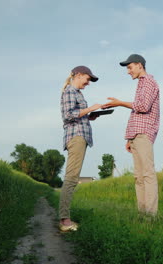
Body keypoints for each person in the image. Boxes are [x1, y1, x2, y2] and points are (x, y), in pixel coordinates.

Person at [103, 54, 160, 216]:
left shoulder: (149, 82)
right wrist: (129, 138)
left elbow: (142, 107)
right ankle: (143, 214)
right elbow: (137, 112)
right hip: (135, 134)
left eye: (130, 67)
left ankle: (151, 216)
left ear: (139, 65)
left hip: (144, 133)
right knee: (138, 176)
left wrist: (119, 103)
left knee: (147, 174)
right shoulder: (141, 84)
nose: (128, 71)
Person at [59, 65, 102, 231]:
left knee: (72, 177)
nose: (88, 82)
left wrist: (90, 116)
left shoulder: (77, 93)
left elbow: (76, 114)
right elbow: (68, 115)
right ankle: (65, 221)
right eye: (88, 79)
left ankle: (64, 218)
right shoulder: (70, 91)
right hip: (76, 137)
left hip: (80, 136)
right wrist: (90, 108)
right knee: (71, 178)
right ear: (79, 75)